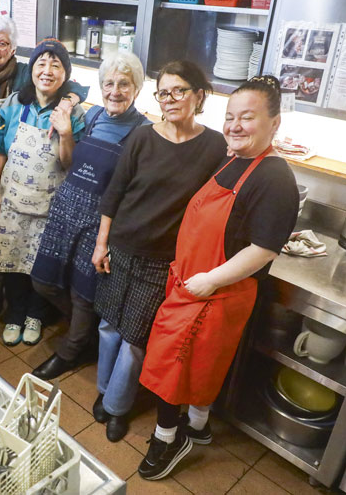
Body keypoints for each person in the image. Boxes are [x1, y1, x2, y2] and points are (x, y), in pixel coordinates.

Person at [136, 76, 299, 480]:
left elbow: (263, 250)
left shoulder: (275, 178)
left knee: (172, 368)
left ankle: (167, 439)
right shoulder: (234, 159)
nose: (235, 126)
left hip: (217, 292)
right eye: (230, 117)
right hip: (192, 285)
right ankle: (197, 427)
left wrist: (210, 280)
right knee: (193, 367)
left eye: (248, 117)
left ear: (274, 123)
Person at [91, 60, 228, 442]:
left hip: (164, 258)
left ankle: (117, 407)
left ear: (199, 95)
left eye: (179, 90)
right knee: (109, 325)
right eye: (163, 92)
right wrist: (102, 243)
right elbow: (115, 193)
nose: (170, 99)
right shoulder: (142, 137)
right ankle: (103, 392)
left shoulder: (215, 146)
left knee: (136, 338)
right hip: (121, 245)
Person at [0, 15, 89, 321]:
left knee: (14, 243)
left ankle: (1, 294)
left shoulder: (28, 74)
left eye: (2, 43)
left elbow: (74, 83)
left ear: (13, 48)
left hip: (16, 173)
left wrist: (68, 101)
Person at [31, 52, 150, 381]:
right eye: (109, 83)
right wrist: (67, 134)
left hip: (101, 220)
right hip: (67, 208)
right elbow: (70, 163)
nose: (115, 91)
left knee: (83, 291)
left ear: (137, 89)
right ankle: (88, 334)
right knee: (43, 280)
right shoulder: (93, 115)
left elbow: (136, 190)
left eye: (124, 84)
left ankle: (72, 349)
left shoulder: (144, 131)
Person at [0, 38, 86, 347]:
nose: (47, 70)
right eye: (41, 63)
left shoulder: (74, 112)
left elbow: (70, 162)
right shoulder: (14, 104)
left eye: (56, 65)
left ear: (65, 74)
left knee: (40, 267)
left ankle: (35, 315)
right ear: (31, 70)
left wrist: (66, 131)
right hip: (13, 202)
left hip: (50, 207)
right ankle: (15, 313)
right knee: (14, 263)